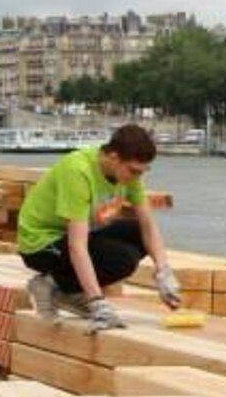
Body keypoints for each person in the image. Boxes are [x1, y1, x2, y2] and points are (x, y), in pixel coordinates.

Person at [15, 123, 181, 331]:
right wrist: (98, 303)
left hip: (72, 236)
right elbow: (77, 247)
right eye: (134, 171)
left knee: (136, 232)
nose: (137, 177)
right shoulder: (78, 171)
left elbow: (148, 225)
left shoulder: (129, 174)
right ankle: (50, 284)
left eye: (142, 171)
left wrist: (163, 272)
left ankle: (64, 290)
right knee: (123, 260)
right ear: (113, 157)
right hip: (41, 244)